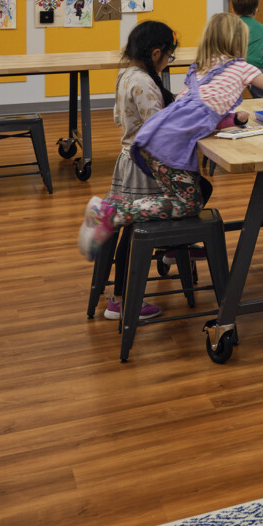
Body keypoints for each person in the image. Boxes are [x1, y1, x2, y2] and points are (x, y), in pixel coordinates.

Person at [78, 14, 263, 260]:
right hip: (166, 149)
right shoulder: (241, 67)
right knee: (189, 204)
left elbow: (195, 113)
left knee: (185, 196)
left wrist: (230, 120)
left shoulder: (199, 71)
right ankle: (111, 213)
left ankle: (174, 248)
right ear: (239, 42)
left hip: (152, 143)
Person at [100, 20, 179, 320]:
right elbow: (159, 129)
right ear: (156, 53)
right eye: (169, 57)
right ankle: (120, 301)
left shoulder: (127, 74)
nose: (168, 62)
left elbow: (121, 117)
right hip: (144, 165)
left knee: (134, 230)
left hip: (130, 160)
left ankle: (173, 245)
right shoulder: (144, 82)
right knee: (136, 234)